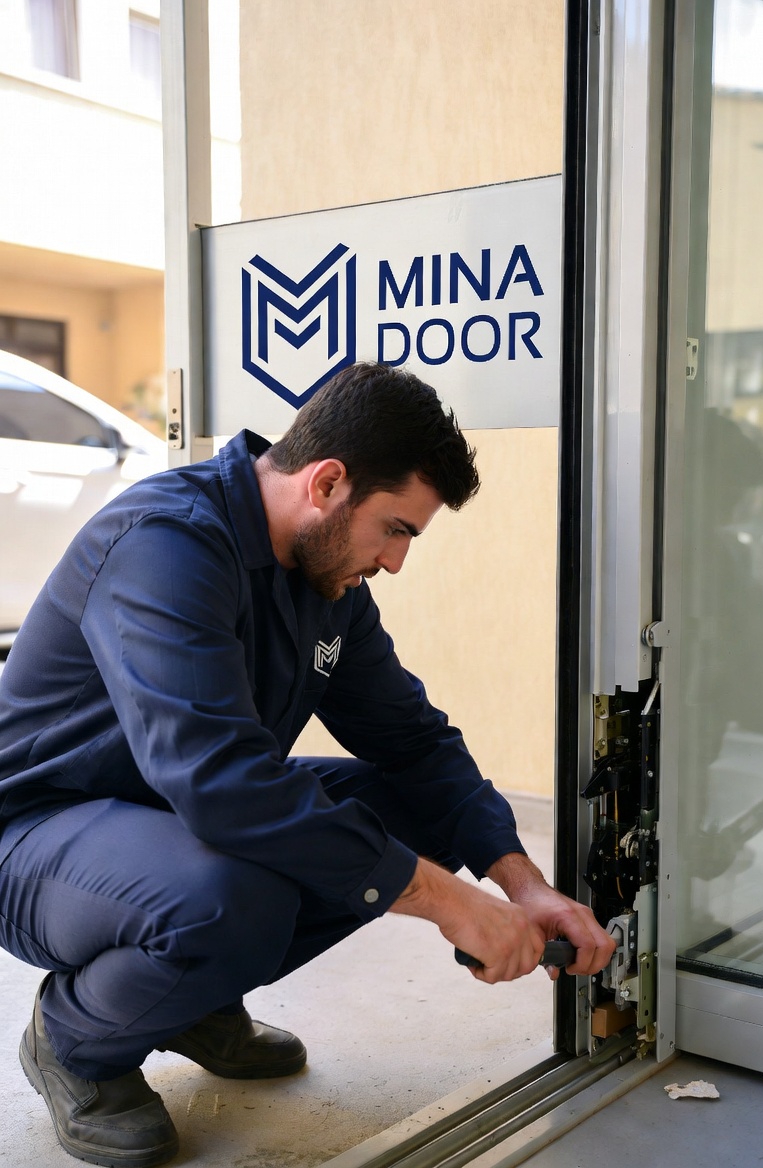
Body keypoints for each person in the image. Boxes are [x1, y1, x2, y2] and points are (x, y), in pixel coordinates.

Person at [0, 362, 614, 1168]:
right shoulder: (167, 545)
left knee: (408, 806)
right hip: (41, 838)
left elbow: (417, 744)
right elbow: (221, 782)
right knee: (233, 895)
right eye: (396, 528)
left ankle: (193, 1000)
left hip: (167, 824)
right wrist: (446, 902)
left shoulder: (327, 588)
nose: (396, 560)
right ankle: (76, 1040)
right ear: (327, 483)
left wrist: (520, 884)